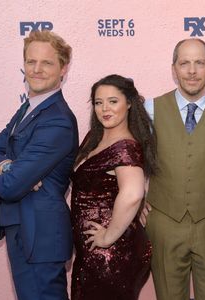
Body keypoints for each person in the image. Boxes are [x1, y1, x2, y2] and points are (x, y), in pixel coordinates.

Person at [0, 30, 78, 300]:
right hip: (24, 229)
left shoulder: (57, 119)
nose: (36, 69)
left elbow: (10, 188)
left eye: (46, 63)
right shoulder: (27, 109)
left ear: (63, 69)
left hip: (40, 235)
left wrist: (11, 175)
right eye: (31, 61)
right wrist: (11, 168)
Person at [142, 38, 205, 300]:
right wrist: (137, 199)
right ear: (174, 69)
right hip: (164, 222)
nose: (192, 71)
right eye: (184, 63)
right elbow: (129, 158)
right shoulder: (149, 109)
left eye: (199, 63)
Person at [70, 74, 156, 300]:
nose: (104, 109)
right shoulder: (95, 138)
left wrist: (108, 237)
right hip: (92, 251)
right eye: (99, 102)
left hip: (111, 254)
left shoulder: (125, 147)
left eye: (113, 101)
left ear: (129, 103)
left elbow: (132, 193)